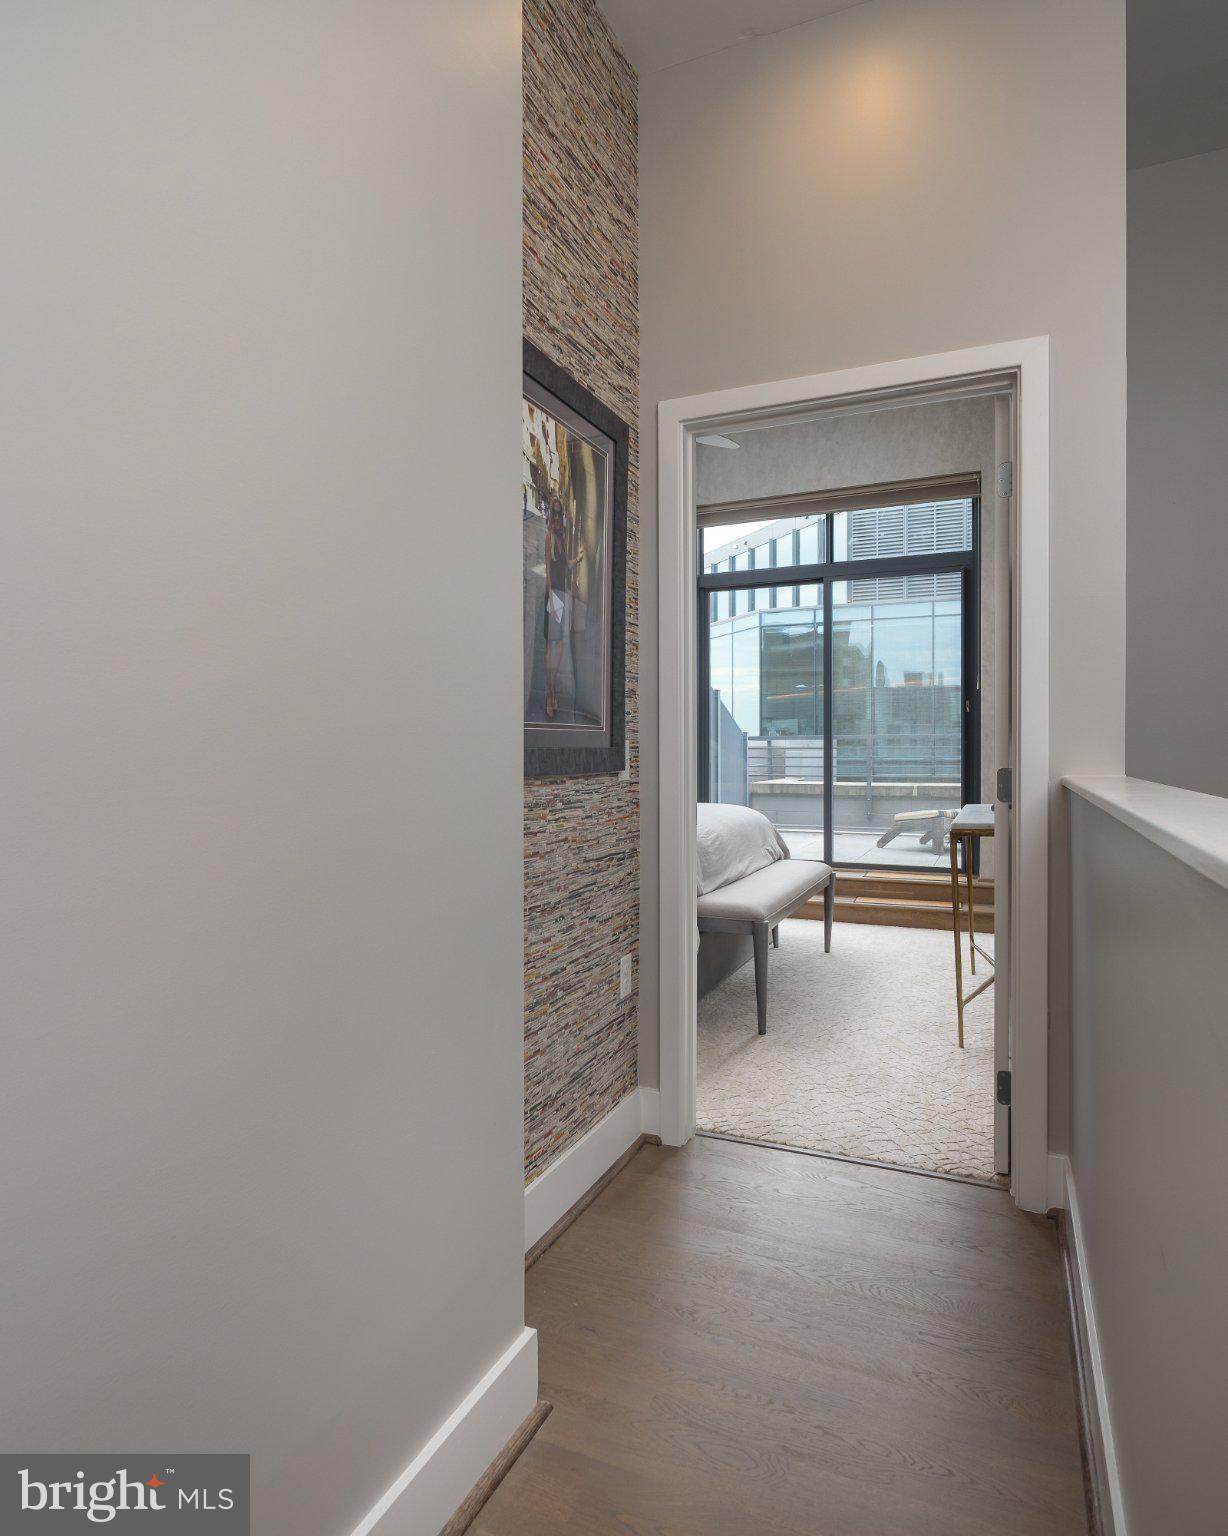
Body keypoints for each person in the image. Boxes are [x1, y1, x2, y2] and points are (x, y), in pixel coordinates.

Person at [543, 495, 584, 719]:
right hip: (553, 595)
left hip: (561, 593)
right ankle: (550, 692)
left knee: (557, 643)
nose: (558, 517)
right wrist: (550, 597)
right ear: (551, 515)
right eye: (555, 513)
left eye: (560, 513)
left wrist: (577, 559)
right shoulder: (549, 537)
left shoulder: (561, 538)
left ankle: (552, 687)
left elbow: (564, 565)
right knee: (551, 643)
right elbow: (548, 568)